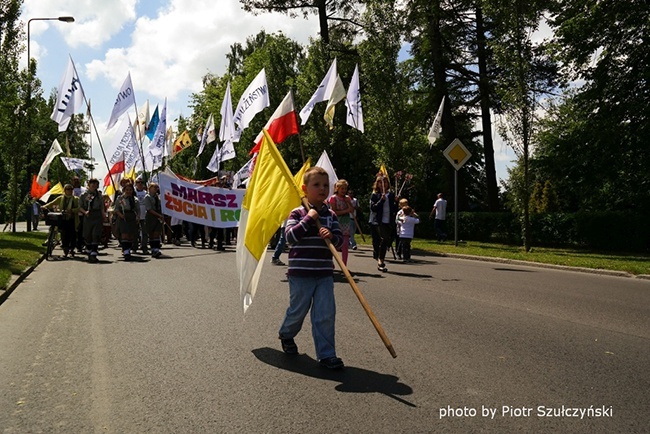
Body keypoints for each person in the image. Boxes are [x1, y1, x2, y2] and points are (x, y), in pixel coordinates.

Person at [278, 167, 345, 370]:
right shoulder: (297, 212)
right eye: (317, 185)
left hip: (324, 273)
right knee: (298, 311)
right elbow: (289, 237)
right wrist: (309, 219)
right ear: (305, 189)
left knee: (325, 313)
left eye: (326, 185)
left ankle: (326, 355)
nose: (322, 189)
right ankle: (286, 334)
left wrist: (332, 237)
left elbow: (340, 242)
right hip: (301, 273)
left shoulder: (331, 215)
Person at [369, 176, 398, 272]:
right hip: (378, 221)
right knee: (383, 238)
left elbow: (394, 210)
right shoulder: (375, 195)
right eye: (380, 182)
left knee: (385, 240)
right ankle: (380, 260)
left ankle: (379, 257)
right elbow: (373, 208)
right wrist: (381, 200)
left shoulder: (391, 195)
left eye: (385, 182)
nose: (383, 184)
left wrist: (396, 202)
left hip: (388, 221)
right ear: (377, 184)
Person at [42, 184, 79, 257]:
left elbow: (79, 208)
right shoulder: (61, 198)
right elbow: (52, 203)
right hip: (62, 219)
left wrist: (72, 210)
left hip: (72, 219)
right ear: (64, 191)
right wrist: (44, 206)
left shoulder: (76, 199)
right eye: (68, 189)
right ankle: (65, 248)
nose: (70, 191)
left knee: (72, 234)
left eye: (71, 189)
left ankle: (71, 249)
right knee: (64, 234)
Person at [328, 179, 355, 266]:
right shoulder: (333, 198)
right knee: (333, 244)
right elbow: (334, 212)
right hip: (336, 223)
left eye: (345, 189)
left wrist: (348, 203)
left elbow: (351, 210)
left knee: (345, 245)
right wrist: (346, 210)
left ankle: (344, 265)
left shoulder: (347, 198)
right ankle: (330, 262)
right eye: (342, 188)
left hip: (345, 224)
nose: (344, 191)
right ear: (337, 188)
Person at [79, 178, 105, 263]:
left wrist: (104, 215)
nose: (94, 185)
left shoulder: (99, 195)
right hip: (88, 215)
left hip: (97, 215)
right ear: (89, 184)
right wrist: (84, 212)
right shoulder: (83, 195)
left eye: (95, 184)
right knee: (87, 234)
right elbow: (80, 206)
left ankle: (94, 253)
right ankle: (89, 250)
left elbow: (101, 207)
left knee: (95, 234)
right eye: (92, 183)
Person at [113, 183, 139, 260]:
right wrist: (120, 215)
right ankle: (126, 251)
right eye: (127, 190)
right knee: (124, 234)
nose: (129, 191)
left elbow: (137, 210)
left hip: (132, 217)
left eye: (130, 190)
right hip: (123, 217)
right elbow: (116, 209)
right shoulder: (120, 198)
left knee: (130, 235)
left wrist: (138, 217)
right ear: (124, 190)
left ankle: (128, 249)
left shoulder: (135, 199)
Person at [144, 182, 164, 258]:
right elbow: (149, 209)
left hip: (158, 216)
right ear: (149, 188)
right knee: (151, 234)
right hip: (151, 216)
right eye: (154, 187)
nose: (155, 189)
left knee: (157, 233)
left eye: (156, 187)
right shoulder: (147, 197)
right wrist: (158, 215)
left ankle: (156, 249)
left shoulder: (158, 197)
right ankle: (153, 249)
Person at [71, 176, 87, 254]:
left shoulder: (84, 190)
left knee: (80, 231)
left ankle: (80, 246)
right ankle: (72, 246)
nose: (76, 181)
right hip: (72, 214)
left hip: (81, 214)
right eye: (74, 180)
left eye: (77, 180)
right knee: (73, 231)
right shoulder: (69, 190)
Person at [134, 177, 149, 254]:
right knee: (135, 232)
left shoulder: (146, 193)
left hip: (144, 215)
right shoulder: (133, 192)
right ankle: (134, 247)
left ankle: (144, 246)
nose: (140, 184)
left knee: (144, 232)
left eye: (141, 183)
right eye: (138, 182)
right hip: (136, 215)